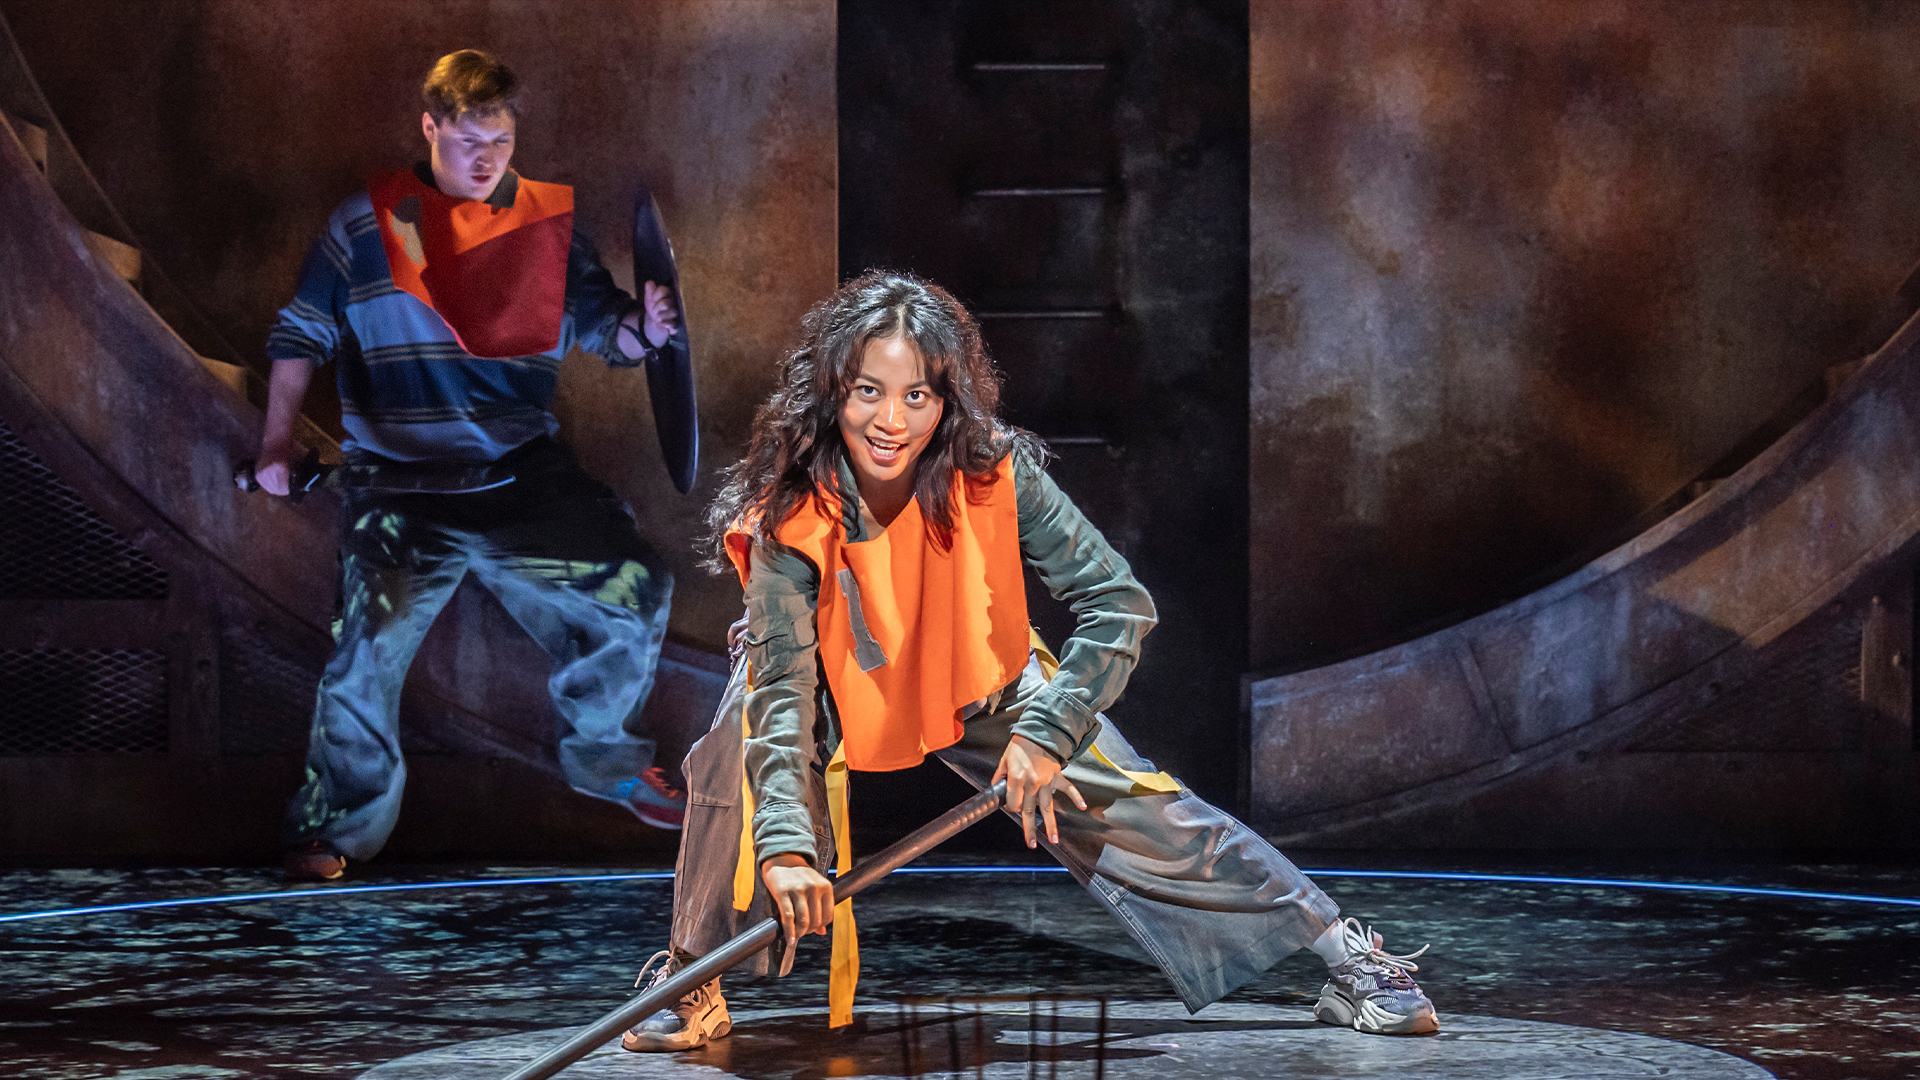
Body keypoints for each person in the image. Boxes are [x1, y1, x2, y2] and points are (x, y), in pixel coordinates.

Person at [621, 272, 1439, 1050]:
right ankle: (691, 976)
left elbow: (1116, 602)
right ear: (834, 390)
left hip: (979, 678)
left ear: (947, 399)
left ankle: (1344, 954)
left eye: (917, 395)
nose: (890, 419)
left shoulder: (993, 468)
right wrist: (787, 849)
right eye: (868, 390)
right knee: (738, 746)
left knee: (1131, 801)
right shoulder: (790, 515)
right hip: (826, 683)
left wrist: (1049, 731)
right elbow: (783, 688)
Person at [259, 50, 686, 882]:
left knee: (636, 586)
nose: (486, 158)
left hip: (521, 477)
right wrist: (276, 443)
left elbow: (609, 332)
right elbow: (301, 332)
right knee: (367, 646)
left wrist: (651, 330)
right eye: (467, 141)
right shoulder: (366, 224)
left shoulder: (545, 229)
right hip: (400, 487)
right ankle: (333, 827)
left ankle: (606, 757)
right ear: (430, 128)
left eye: (501, 140)